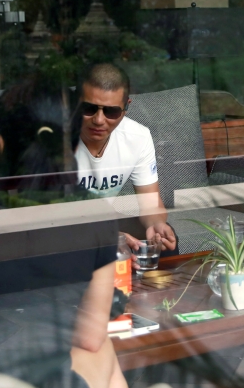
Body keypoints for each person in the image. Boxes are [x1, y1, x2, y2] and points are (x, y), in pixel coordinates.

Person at [0, 82, 130, 388]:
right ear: (70, 147)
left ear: (0, 145)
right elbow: (89, 335)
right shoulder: (92, 215)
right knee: (101, 348)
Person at [72, 63, 177, 256]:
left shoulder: (138, 137)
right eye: (89, 108)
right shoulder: (54, 139)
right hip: (58, 230)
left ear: (126, 107)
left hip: (102, 222)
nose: (99, 120)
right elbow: (40, 216)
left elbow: (151, 203)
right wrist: (108, 236)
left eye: (111, 112)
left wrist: (156, 224)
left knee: (162, 240)